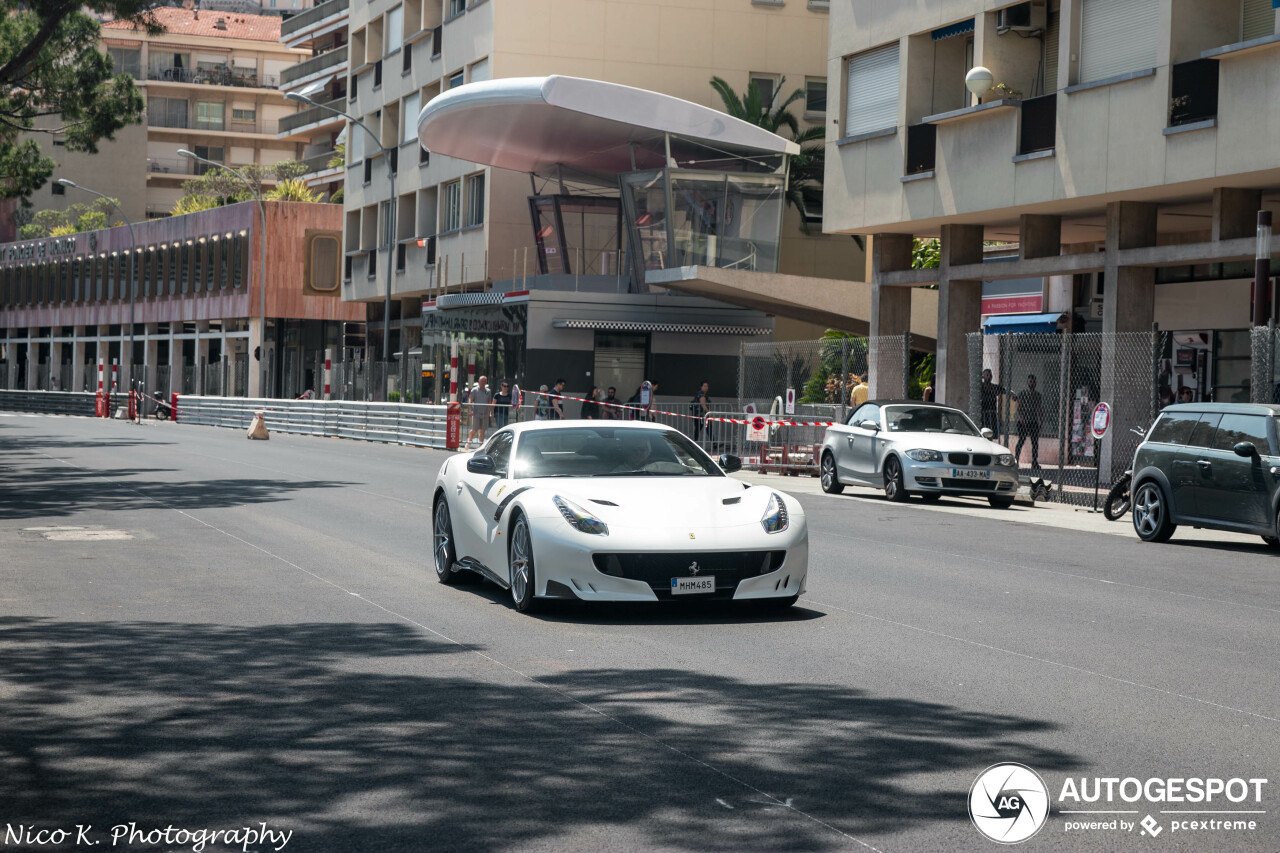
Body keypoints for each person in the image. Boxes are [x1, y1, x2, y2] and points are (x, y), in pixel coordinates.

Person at [1014, 374, 1043, 469]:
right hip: (1023, 421)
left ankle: (1034, 462)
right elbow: (1018, 408)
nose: (1032, 383)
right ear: (1027, 382)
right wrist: (1022, 418)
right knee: (1021, 440)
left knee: (1035, 442)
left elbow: (1039, 409)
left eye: (1033, 381)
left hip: (1033, 421)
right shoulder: (1022, 394)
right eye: (1030, 381)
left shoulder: (1037, 395)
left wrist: (1040, 421)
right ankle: (1016, 460)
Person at [466, 375, 492, 448]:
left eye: (484, 381)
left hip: (485, 413)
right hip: (476, 413)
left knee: (482, 431)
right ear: (478, 381)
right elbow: (470, 400)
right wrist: (471, 410)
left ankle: (480, 446)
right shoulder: (474, 390)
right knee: (474, 430)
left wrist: (491, 412)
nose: (483, 382)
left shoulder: (488, 391)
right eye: (481, 381)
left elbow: (490, 402)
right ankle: (469, 442)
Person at [979, 369, 1006, 439]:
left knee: (991, 433)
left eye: (990, 375)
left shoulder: (994, 387)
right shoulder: (980, 386)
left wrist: (1013, 395)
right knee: (983, 432)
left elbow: (1005, 390)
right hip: (983, 413)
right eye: (987, 375)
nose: (990, 377)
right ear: (983, 377)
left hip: (992, 412)